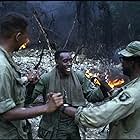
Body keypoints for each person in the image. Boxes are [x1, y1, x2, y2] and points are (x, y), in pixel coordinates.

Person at [0, 13, 63, 139]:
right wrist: (46, 107)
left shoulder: (6, 60)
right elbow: (6, 113)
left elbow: (10, 89)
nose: (27, 40)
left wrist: (26, 81)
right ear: (18, 36)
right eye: (26, 36)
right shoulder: (3, 67)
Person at [60, 41, 140, 139]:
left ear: (132, 63)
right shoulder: (135, 85)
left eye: (124, 59)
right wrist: (107, 88)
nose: (121, 62)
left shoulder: (134, 92)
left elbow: (98, 117)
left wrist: (63, 108)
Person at [31, 49, 110, 139]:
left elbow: (91, 96)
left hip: (73, 128)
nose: (69, 64)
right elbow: (28, 99)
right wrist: (31, 85)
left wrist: (103, 86)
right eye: (65, 61)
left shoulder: (79, 77)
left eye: (70, 60)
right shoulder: (47, 78)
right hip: (53, 129)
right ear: (57, 62)